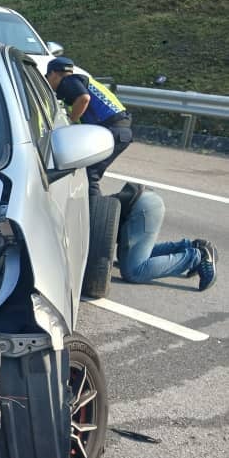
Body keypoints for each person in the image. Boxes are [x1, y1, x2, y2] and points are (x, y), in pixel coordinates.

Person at [46, 56, 133, 196]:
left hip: (112, 130)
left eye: (47, 78)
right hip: (121, 130)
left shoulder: (69, 81)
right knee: (88, 172)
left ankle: (96, 214)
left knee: (89, 175)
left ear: (53, 74)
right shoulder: (83, 81)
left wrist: (71, 120)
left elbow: (84, 99)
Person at [113, 182, 216, 290]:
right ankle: (193, 246)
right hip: (144, 200)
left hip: (141, 208)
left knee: (133, 271)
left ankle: (199, 257)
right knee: (127, 259)